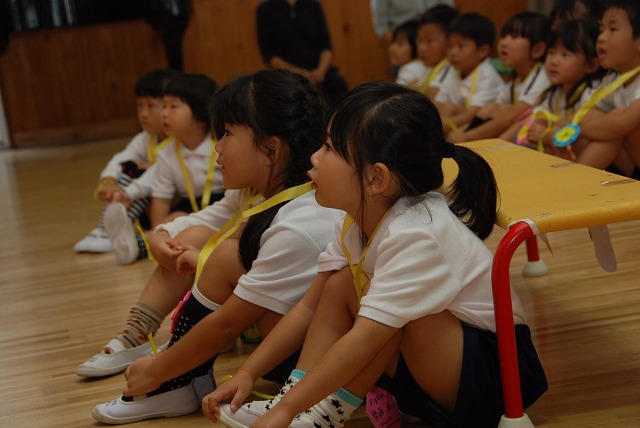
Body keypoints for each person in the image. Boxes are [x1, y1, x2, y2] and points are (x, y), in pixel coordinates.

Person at [204, 82, 548, 428]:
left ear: (376, 178)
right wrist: (249, 372)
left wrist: (284, 412)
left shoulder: (418, 233)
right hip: (441, 367)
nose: (314, 157)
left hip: (497, 377)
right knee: (339, 284)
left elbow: (365, 338)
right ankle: (301, 405)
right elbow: (308, 307)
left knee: (382, 310)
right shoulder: (355, 220)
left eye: (329, 148)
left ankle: (320, 416)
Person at [88, 69, 340, 424]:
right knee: (212, 248)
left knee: (225, 257)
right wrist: (160, 236)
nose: (217, 147)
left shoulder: (300, 223)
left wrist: (156, 370)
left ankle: (173, 381)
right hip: (287, 347)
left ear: (271, 150)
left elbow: (226, 324)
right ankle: (164, 362)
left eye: (227, 134)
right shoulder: (264, 191)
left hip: (311, 365)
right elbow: (207, 219)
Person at [104, 72, 225, 265]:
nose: (164, 113)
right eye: (164, 106)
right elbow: (161, 198)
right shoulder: (166, 153)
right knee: (175, 220)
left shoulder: (220, 146)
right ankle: (136, 245)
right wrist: (159, 231)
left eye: (173, 107)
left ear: (200, 117)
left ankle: (138, 243)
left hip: (221, 201)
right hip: (188, 204)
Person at [74, 69, 178, 254]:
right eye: (139, 106)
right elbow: (121, 158)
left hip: (171, 205)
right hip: (147, 205)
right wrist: (109, 181)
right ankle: (106, 230)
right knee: (128, 167)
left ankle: (109, 232)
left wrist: (128, 192)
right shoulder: (147, 138)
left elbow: (157, 174)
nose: (143, 113)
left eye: (151, 106)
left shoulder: (177, 141)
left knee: (139, 172)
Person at [541, 0, 640, 176]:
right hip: (631, 164)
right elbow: (586, 114)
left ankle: (571, 179)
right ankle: (570, 175)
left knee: (613, 120)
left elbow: (621, 124)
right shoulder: (613, 78)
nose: (601, 37)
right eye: (602, 29)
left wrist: (573, 131)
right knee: (595, 116)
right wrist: (553, 130)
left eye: (613, 29)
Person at [448, 12, 551, 143]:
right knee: (492, 107)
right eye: (503, 36)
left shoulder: (542, 76)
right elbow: (490, 111)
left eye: (514, 37)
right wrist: (460, 133)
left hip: (536, 137)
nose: (504, 43)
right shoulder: (515, 81)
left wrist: (467, 137)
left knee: (513, 114)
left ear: (538, 50)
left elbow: (510, 118)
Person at [513, 19, 602, 149]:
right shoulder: (554, 92)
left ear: (591, 65)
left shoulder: (592, 92)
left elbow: (578, 134)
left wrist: (546, 134)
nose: (553, 61)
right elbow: (532, 120)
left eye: (565, 55)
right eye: (551, 52)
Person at [256, 0, 348, 105]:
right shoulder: (265, 9)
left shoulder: (313, 4)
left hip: (319, 72)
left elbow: (326, 47)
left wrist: (320, 72)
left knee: (340, 90)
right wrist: (299, 73)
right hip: (288, 76)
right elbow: (269, 55)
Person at [435, 12, 506, 137]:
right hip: (461, 121)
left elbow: (473, 114)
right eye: (449, 46)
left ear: (483, 51)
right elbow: (439, 103)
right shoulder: (454, 70)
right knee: (447, 107)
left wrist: (441, 125)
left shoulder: (487, 75)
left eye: (461, 46)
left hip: (483, 125)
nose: (453, 52)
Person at [415, 5, 459, 100]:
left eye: (429, 41)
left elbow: (434, 96)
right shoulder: (430, 68)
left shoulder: (453, 67)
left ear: (450, 40)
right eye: (420, 40)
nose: (422, 48)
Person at [370, 0, 454, 43]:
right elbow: (382, 27)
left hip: (439, 43)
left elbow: (449, 14)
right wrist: (403, 46)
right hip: (406, 44)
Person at [388, 19, 428, 87]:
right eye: (393, 42)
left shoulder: (408, 70)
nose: (392, 48)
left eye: (400, 44)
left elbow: (398, 93)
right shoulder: (423, 65)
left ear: (416, 46)